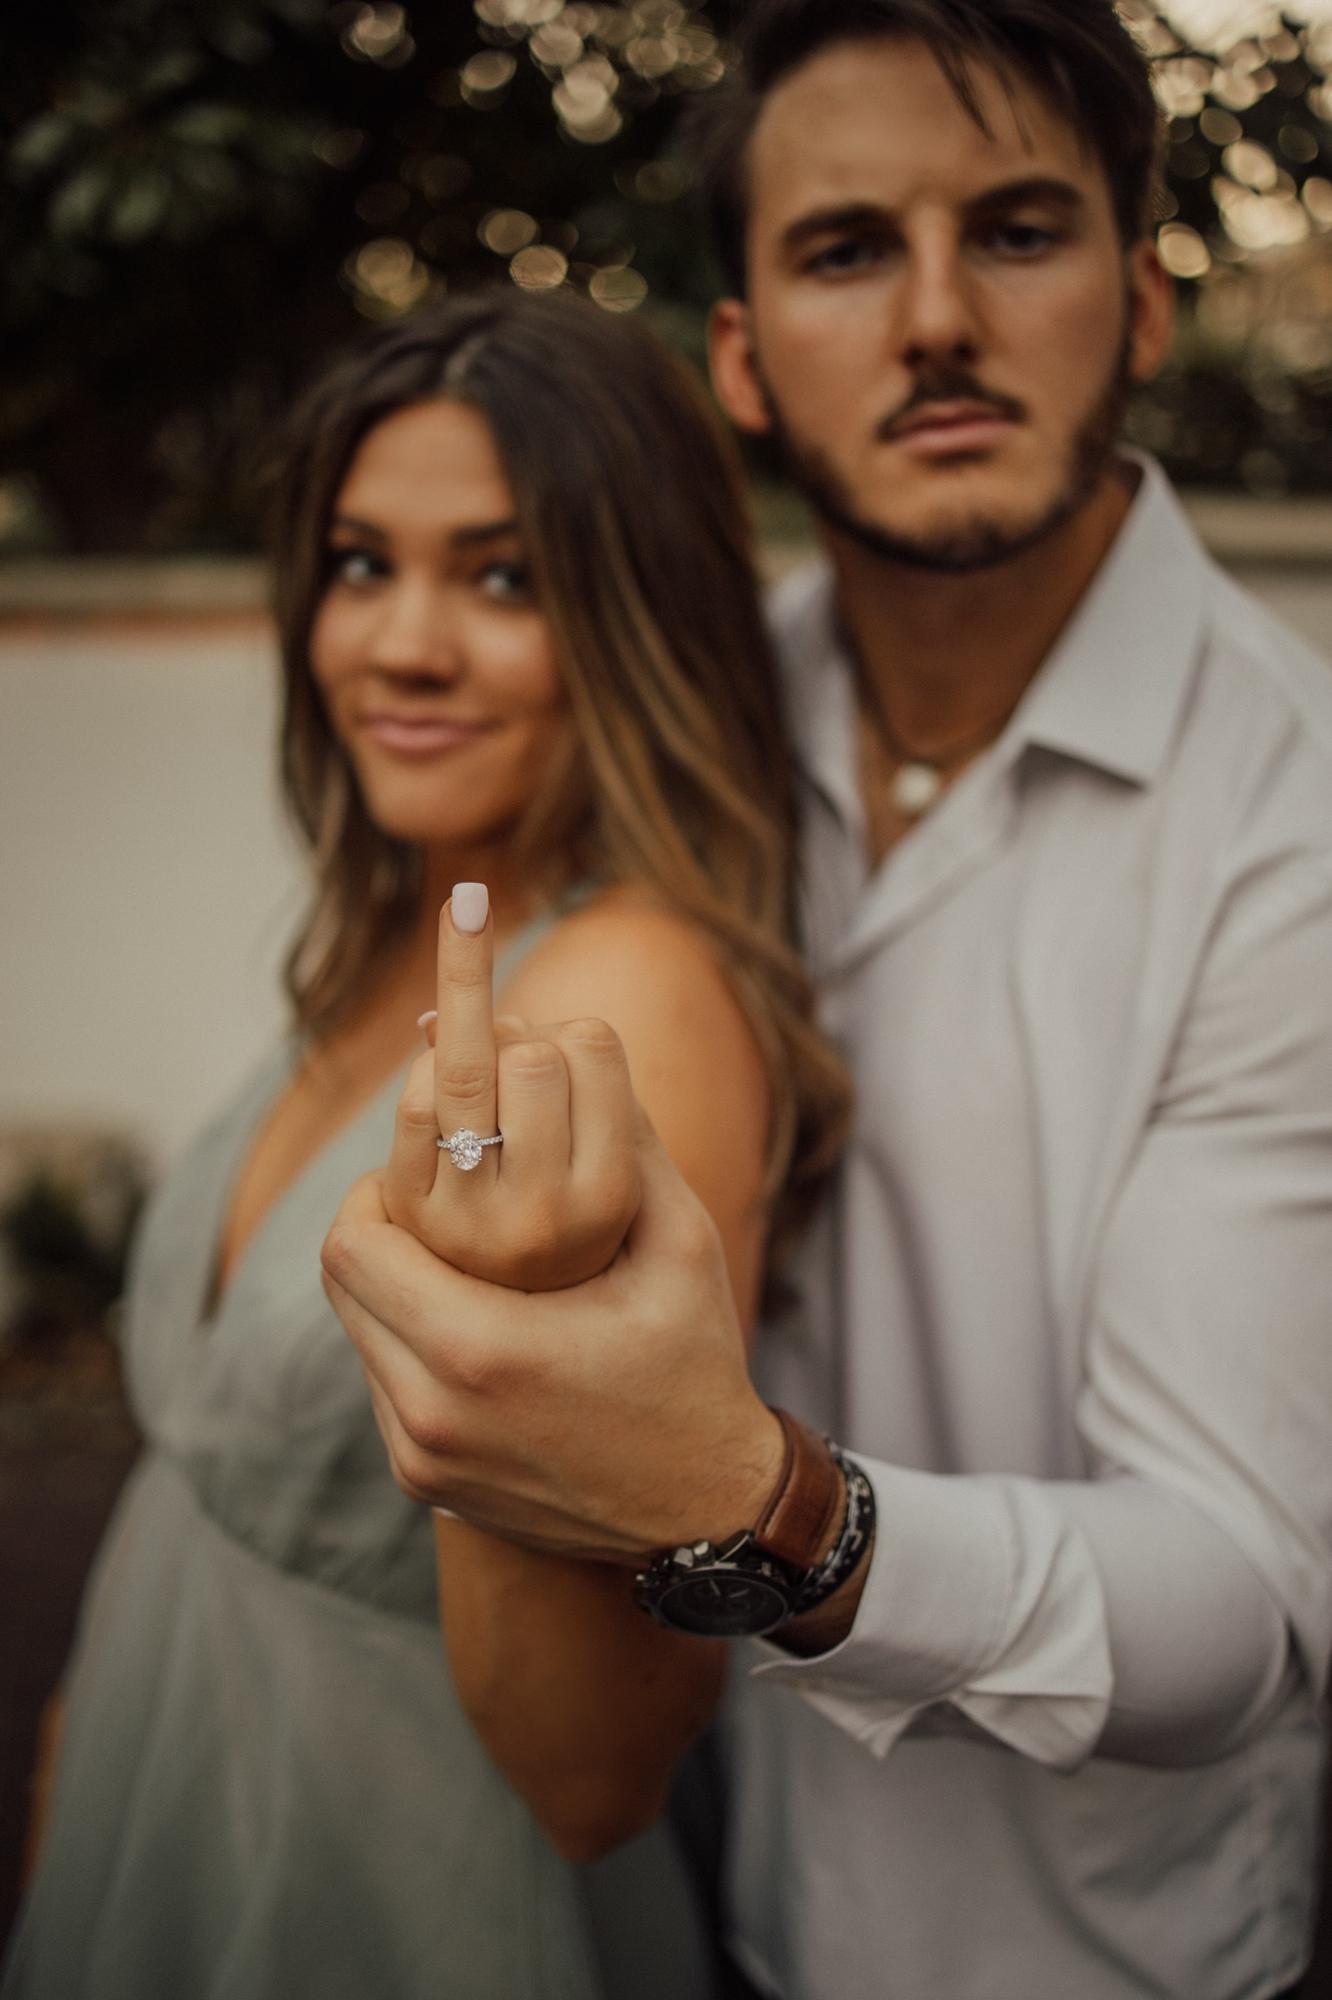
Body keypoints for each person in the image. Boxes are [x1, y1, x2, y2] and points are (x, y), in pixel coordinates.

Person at [320, 4, 1332, 1998]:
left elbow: (1244, 1608)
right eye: (849, 249)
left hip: (1084, 1957)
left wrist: (756, 1501)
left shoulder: (1289, 823)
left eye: (1018, 231)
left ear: (1142, 302)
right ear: (743, 357)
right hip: (687, 1890)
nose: (937, 319)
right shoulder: (689, 716)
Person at [2, 287, 849, 1999]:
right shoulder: (409, 924)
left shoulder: (622, 1000)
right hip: (161, 1818)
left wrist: (517, 1345)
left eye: (503, 577)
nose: (401, 644)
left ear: (636, 617)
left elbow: (594, 1776)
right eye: (359, 563)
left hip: (394, 1896)